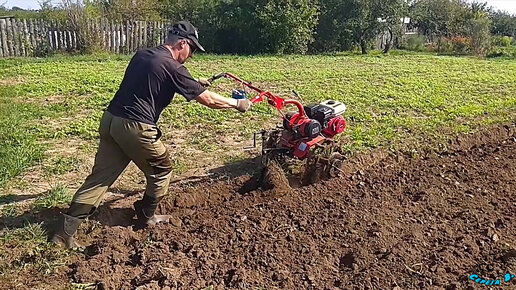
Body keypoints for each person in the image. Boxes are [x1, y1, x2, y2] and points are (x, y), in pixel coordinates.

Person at [51, 20, 252, 248]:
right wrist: (237, 104)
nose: (192, 55)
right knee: (162, 171)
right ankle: (146, 217)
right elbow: (208, 100)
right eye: (192, 49)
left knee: (100, 178)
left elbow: (156, 80)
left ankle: (63, 234)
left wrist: (194, 82)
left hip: (111, 121)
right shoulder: (173, 67)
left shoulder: (143, 55)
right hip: (135, 128)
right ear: (182, 43)